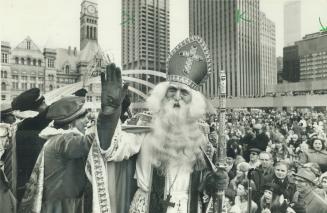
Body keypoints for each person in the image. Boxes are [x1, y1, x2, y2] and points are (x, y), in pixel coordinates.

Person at [86, 36, 229, 213]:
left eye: (184, 92)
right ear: (162, 95)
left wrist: (214, 182)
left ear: (193, 102)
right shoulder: (145, 124)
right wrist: (110, 115)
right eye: (172, 90)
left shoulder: (200, 137)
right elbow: (111, 150)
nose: (177, 97)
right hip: (146, 206)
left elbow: (204, 186)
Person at [19, 96, 95, 213]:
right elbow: (90, 142)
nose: (87, 120)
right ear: (71, 122)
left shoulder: (57, 138)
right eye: (83, 117)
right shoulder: (62, 140)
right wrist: (110, 114)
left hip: (61, 203)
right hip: (61, 207)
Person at [11, 88, 52, 201]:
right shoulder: (34, 126)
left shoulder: (22, 126)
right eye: (43, 102)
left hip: (23, 184)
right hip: (32, 185)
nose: (46, 104)